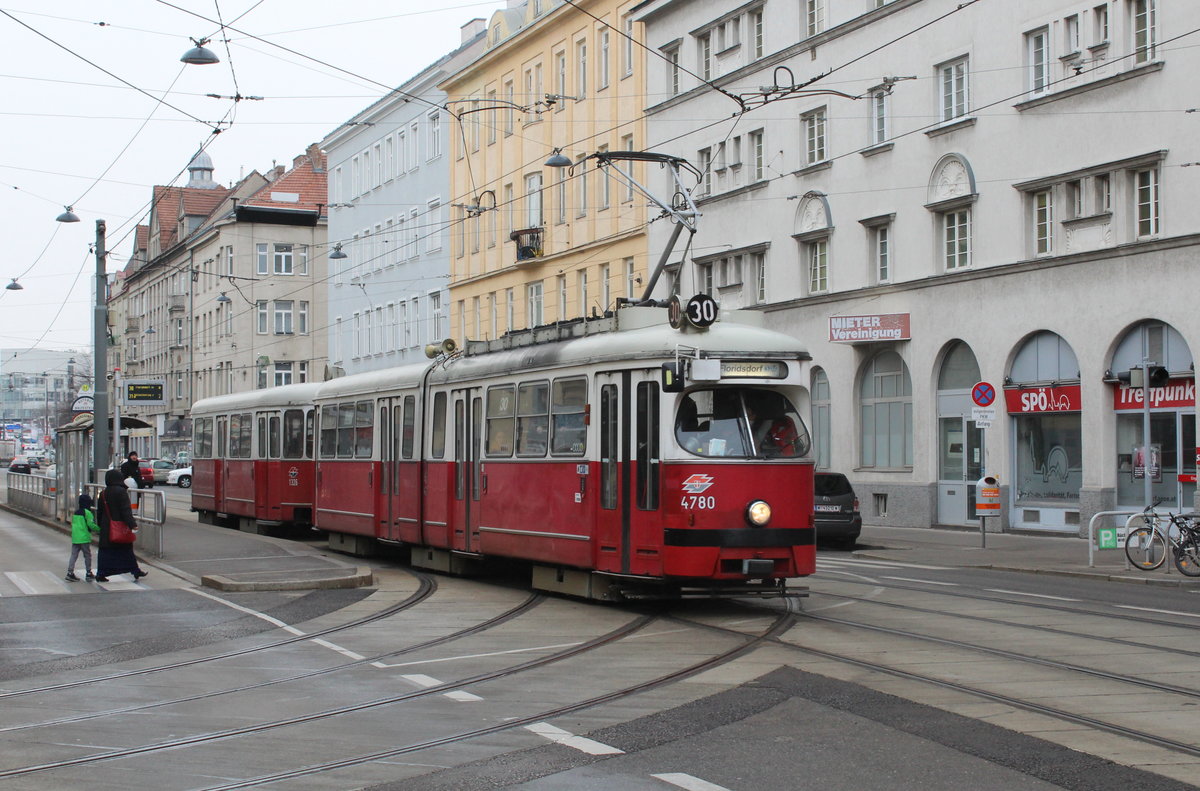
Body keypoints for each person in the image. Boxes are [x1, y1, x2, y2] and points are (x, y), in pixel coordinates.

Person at [95, 468, 147, 582]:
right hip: (120, 528)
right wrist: (132, 524)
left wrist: (100, 526)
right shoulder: (121, 492)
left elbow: (99, 512)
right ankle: (135, 570)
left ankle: (101, 573)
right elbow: (126, 511)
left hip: (107, 529)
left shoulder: (103, 493)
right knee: (126, 551)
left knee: (105, 553)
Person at [65, 493, 99, 582]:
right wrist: (100, 529)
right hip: (84, 538)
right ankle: (88, 573)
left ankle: (70, 572)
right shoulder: (88, 513)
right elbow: (91, 525)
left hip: (75, 538)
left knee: (74, 555)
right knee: (87, 555)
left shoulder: (76, 512)